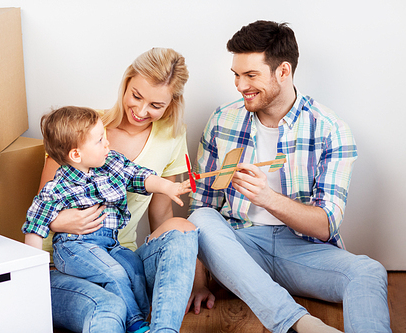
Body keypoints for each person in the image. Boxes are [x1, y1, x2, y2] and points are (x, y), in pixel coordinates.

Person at [187, 20, 391, 333]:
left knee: (369, 271)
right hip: (239, 246)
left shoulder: (330, 130)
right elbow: (202, 206)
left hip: (303, 250)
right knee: (201, 220)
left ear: (283, 71)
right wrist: (200, 282)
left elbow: (325, 226)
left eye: (251, 75)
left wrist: (265, 197)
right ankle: (299, 323)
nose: (240, 86)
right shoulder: (223, 120)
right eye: (236, 75)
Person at [40, 48, 199, 333]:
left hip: (119, 256)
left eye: (155, 105)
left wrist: (195, 280)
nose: (140, 111)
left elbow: (160, 214)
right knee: (109, 308)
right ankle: (134, 319)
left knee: (183, 227)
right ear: (126, 82)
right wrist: (62, 222)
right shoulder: (82, 128)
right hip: (66, 262)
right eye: (136, 96)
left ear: (171, 104)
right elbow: (43, 204)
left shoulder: (171, 136)